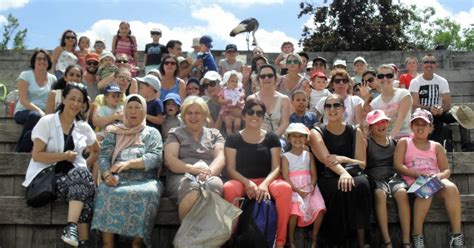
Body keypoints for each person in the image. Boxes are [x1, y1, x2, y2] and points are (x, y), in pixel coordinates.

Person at [23, 83, 99, 247]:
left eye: (80, 100)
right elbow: (36, 155)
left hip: (73, 180)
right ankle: (74, 230)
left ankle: (77, 236)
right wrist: (63, 156)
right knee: (84, 185)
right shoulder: (47, 122)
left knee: (83, 178)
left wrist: (85, 163)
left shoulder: (83, 127)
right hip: (45, 180)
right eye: (72, 98)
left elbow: (96, 150)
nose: (76, 103)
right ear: (63, 99)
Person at [92, 94, 163, 248]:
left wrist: (130, 163)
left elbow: (156, 157)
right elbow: (104, 156)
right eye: (129, 107)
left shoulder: (152, 133)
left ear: (144, 111)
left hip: (144, 179)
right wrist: (106, 174)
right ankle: (107, 244)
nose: (133, 111)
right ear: (124, 110)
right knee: (105, 190)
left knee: (149, 192)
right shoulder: (114, 132)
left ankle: (137, 244)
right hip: (117, 178)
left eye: (138, 107)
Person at [223, 99, 292, 248]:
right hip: (242, 180)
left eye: (259, 113)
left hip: (268, 180)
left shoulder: (272, 138)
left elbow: (276, 168)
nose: (255, 115)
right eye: (251, 112)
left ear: (263, 117)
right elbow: (231, 169)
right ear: (243, 115)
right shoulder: (233, 139)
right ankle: (230, 238)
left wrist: (265, 184)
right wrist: (248, 183)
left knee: (285, 189)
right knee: (229, 188)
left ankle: (280, 242)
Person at [394, 108, 464, 248]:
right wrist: (416, 174)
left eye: (424, 124)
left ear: (431, 127)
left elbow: (446, 170)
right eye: (417, 124)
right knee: (427, 188)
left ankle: (457, 235)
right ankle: (417, 234)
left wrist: (437, 176)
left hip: (434, 178)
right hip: (413, 181)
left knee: (451, 188)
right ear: (411, 126)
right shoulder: (404, 142)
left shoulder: (436, 146)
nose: (420, 127)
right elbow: (397, 165)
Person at [309, 94, 371, 247]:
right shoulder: (316, 132)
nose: (332, 109)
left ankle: (362, 241)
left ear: (344, 109)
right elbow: (327, 160)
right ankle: (337, 241)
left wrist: (344, 160)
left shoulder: (354, 131)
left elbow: (362, 164)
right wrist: (343, 173)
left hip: (352, 172)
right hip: (328, 175)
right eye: (328, 106)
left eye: (336, 105)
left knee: (362, 184)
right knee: (338, 188)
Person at [164, 96, 226, 220]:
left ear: (204, 115)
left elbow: (220, 157)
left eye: (197, 113)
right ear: (183, 116)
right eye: (189, 113)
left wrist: (208, 172)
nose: (193, 117)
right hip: (182, 175)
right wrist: (194, 170)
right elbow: (170, 160)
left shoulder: (215, 134)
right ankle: (188, 237)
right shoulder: (175, 133)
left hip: (210, 174)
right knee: (192, 187)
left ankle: (209, 236)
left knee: (212, 185)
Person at [409, 54, 474, 152]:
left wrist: (442, 109)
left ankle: (467, 147)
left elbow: (448, 103)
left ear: (436, 65)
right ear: (422, 65)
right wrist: (430, 109)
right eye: (426, 62)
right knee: (439, 125)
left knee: (462, 114)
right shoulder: (415, 82)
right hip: (423, 115)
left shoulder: (442, 81)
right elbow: (415, 104)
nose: (429, 64)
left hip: (440, 113)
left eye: (432, 62)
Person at [365, 110, 411, 248]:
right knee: (380, 195)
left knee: (403, 193)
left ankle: (406, 240)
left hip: (393, 177)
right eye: (376, 123)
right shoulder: (367, 142)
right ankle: (387, 241)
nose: (381, 125)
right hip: (376, 178)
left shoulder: (394, 142)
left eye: (383, 121)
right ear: (371, 127)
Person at [281, 123, 326, 248]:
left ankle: (314, 237)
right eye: (294, 136)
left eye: (301, 136)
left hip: (309, 188)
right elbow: (285, 176)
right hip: (294, 189)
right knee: (295, 212)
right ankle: (292, 240)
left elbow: (314, 174)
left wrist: (312, 186)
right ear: (289, 138)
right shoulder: (285, 157)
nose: (298, 139)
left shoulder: (309, 155)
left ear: (306, 139)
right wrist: (297, 190)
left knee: (320, 208)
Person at [15, 49, 57, 152]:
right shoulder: (25, 75)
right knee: (35, 116)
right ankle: (21, 150)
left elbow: (54, 100)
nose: (42, 61)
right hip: (23, 111)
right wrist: (40, 112)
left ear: (48, 62)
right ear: (34, 61)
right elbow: (24, 100)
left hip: (44, 113)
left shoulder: (53, 79)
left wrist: (47, 114)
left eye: (45, 59)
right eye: (39, 59)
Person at [364, 64, 413, 139]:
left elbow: (401, 117)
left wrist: (391, 139)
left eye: (389, 75)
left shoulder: (404, 94)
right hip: (384, 140)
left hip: (404, 137)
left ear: (394, 77)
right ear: (377, 79)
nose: (385, 78)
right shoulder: (374, 103)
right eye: (381, 76)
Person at [247, 64, 290, 137]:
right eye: (262, 76)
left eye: (270, 76)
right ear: (258, 79)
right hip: (256, 136)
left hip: (278, 138)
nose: (266, 78)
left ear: (275, 78)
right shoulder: (251, 99)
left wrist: (272, 138)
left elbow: (284, 123)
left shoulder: (284, 99)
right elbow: (249, 122)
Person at [218, 70, 245, 134]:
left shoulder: (238, 90)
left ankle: (236, 136)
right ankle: (229, 136)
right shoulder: (224, 91)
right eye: (232, 81)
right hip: (227, 111)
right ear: (226, 82)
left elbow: (242, 98)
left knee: (237, 125)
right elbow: (219, 100)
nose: (234, 83)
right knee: (228, 125)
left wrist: (241, 101)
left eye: (236, 81)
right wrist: (225, 101)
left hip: (237, 109)